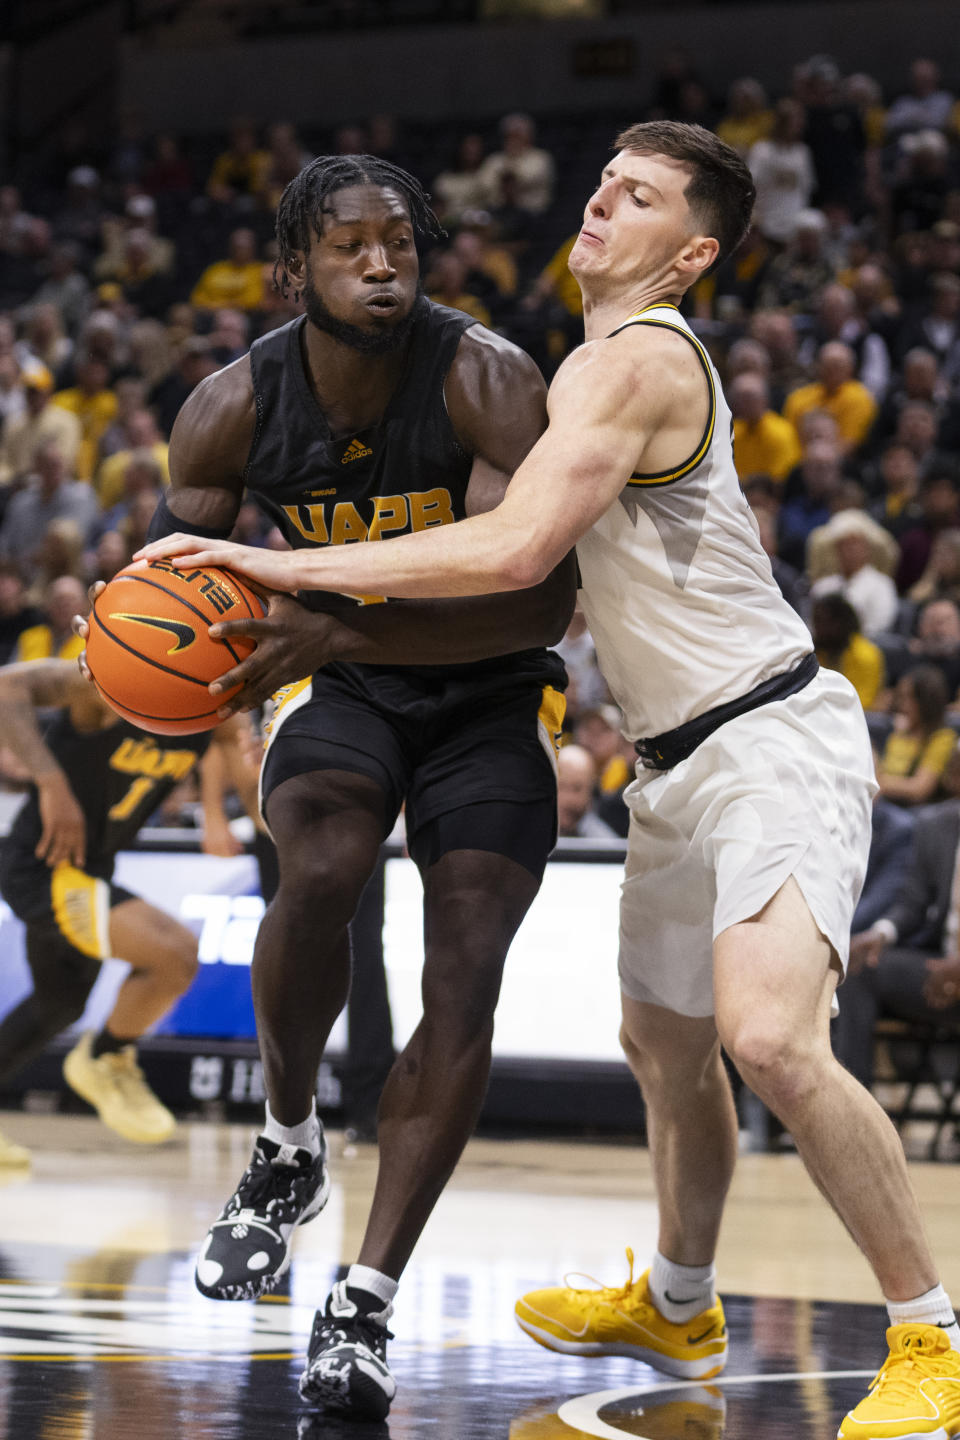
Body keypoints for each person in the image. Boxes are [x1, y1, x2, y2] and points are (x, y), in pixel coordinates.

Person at [145, 121, 960, 1440]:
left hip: (768, 739)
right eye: (602, 182)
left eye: (634, 196)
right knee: (663, 1044)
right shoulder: (583, 364)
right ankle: (681, 1299)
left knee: (765, 1041)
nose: (597, 202)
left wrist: (286, 571)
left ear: (692, 252)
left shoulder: (635, 362)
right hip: (675, 756)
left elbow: (522, 551)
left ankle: (930, 1330)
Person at [125, 153, 574, 1421]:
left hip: (491, 681)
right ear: (296, 267)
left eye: (400, 245)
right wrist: (198, 667)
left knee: (466, 960)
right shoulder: (229, 407)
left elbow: (532, 596)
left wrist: (341, 627)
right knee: (321, 864)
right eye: (350, 248)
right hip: (340, 683)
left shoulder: (487, 378)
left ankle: (365, 1302)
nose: (381, 265)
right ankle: (286, 1143)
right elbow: (189, 608)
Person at [0, 659, 256, 1162]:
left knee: (61, 1004)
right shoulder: (117, 680)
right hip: (42, 864)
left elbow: (248, 783)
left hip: (88, 870)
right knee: (175, 955)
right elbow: (8, 686)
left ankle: (104, 1055)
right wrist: (50, 783)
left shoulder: (218, 710)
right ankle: (106, 1057)